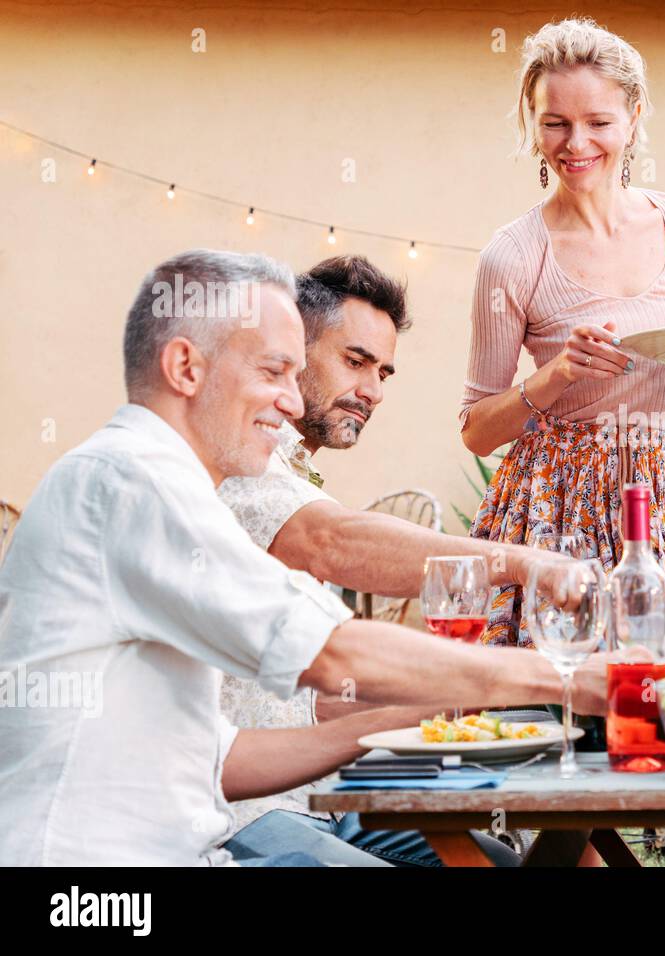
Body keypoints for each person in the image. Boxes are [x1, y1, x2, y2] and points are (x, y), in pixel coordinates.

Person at [0, 250, 607, 866]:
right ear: (186, 367)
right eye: (273, 371)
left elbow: (221, 757)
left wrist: (440, 706)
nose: (291, 404)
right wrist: (563, 679)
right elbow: (334, 642)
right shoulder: (133, 482)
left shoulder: (166, 484)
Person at [217, 254, 558, 865]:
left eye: (384, 372)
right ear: (289, 351)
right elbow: (336, 540)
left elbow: (309, 696)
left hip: (324, 799)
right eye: (355, 362)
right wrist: (521, 563)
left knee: (508, 865)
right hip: (238, 812)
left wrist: (483, 702)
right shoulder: (237, 462)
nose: (373, 391)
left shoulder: (295, 473)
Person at [458, 17, 665, 646]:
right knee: (556, 708)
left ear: (633, 116)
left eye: (598, 122)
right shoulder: (512, 256)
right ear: (533, 123)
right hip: (557, 512)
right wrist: (555, 376)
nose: (576, 143)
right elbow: (476, 431)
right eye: (555, 123)